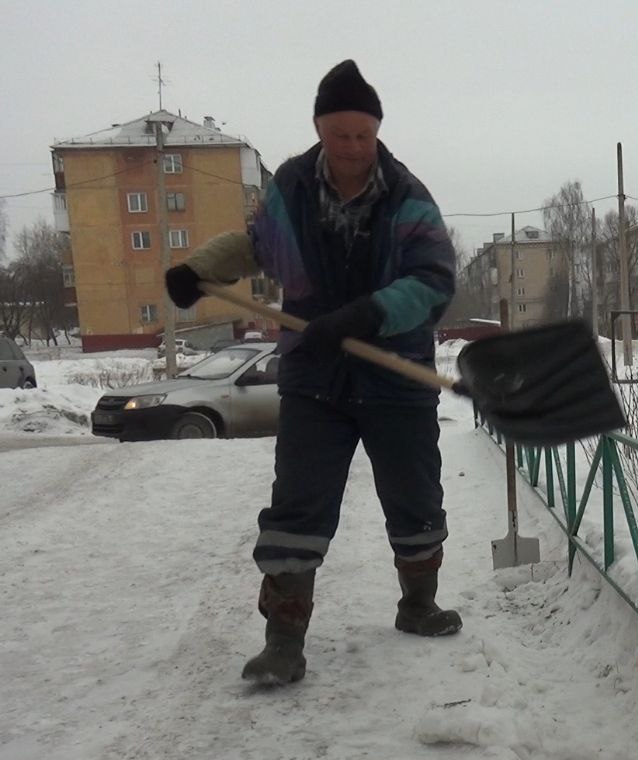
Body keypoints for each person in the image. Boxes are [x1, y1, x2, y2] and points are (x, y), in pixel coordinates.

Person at [166, 59, 460, 686]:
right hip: (313, 378)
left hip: (396, 375)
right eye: (339, 135)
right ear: (320, 131)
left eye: (363, 135)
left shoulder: (408, 197)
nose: (352, 148)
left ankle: (418, 603)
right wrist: (199, 268)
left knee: (414, 497)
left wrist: (365, 314)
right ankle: (283, 641)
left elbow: (434, 281)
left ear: (376, 133)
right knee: (298, 504)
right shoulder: (293, 187)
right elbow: (256, 243)